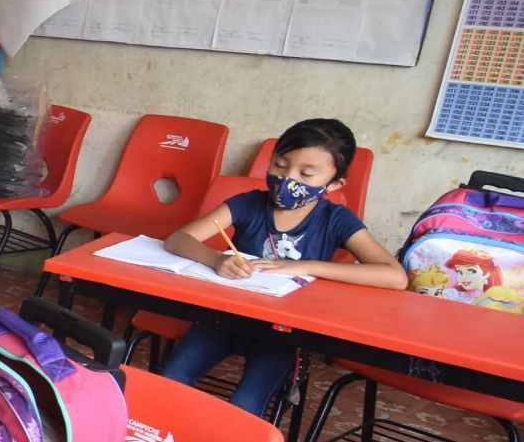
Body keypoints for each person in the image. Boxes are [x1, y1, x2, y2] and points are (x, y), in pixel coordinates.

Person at [160, 118, 405, 415]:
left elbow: (394, 277)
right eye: (280, 165)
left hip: (283, 335)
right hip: (223, 319)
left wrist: (308, 267)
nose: (288, 178)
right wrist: (216, 259)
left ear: (334, 183)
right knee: (169, 383)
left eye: (306, 173)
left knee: (245, 407)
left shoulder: (335, 220)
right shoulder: (248, 204)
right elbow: (178, 239)